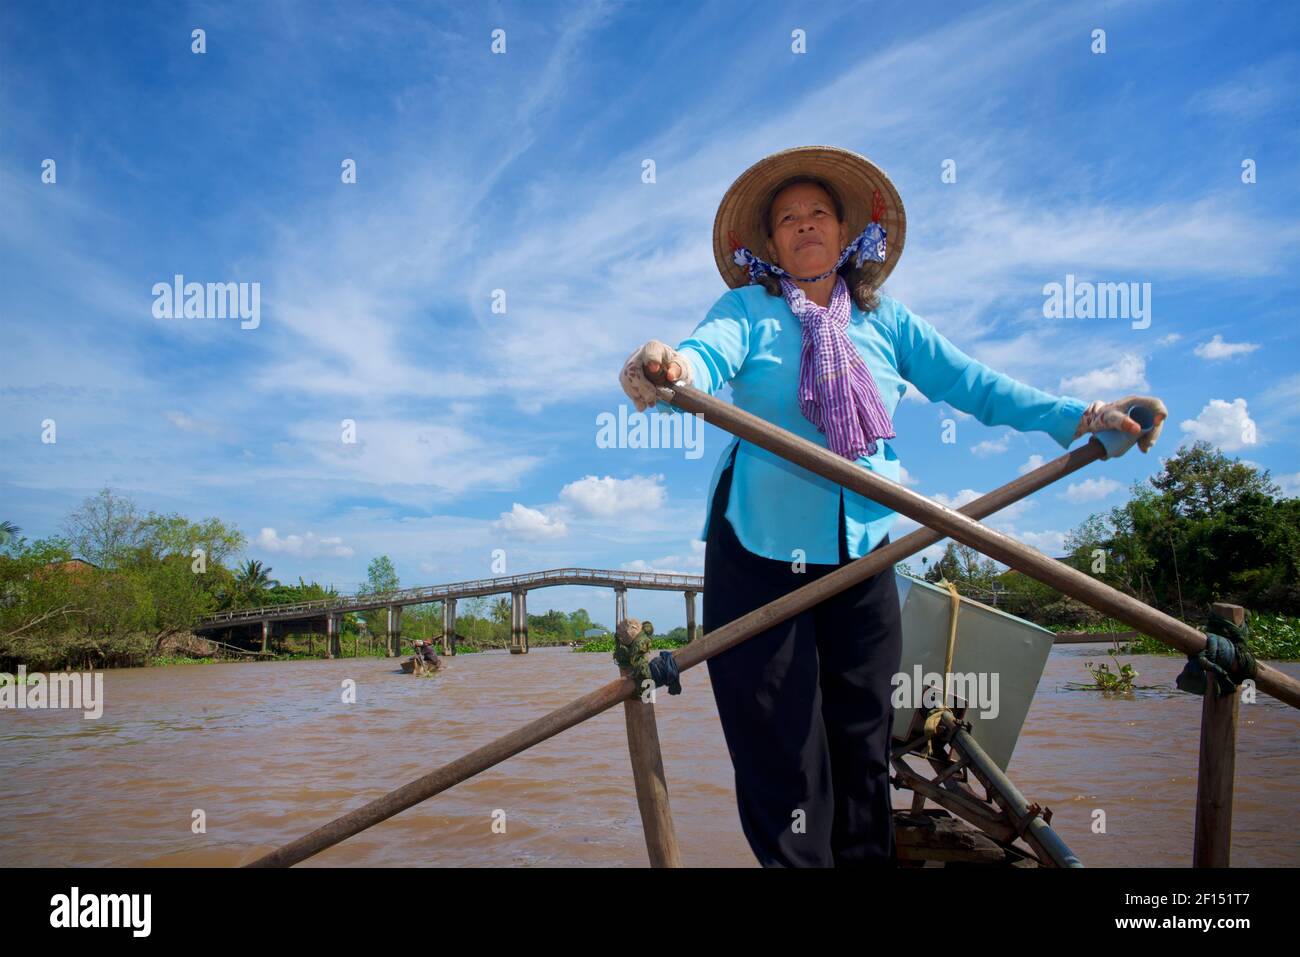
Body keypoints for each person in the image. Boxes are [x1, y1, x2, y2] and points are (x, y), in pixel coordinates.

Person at [617, 145, 1167, 868]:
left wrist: (1087, 412)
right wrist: (670, 368)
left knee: (861, 737)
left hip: (867, 550)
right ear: (772, 243)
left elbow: (978, 385)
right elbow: (703, 356)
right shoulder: (748, 309)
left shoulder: (887, 321)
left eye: (819, 213)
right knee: (779, 747)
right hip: (758, 550)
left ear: (846, 234)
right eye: (788, 218)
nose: (805, 225)